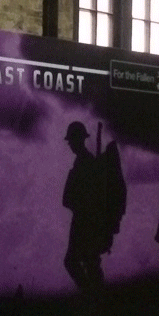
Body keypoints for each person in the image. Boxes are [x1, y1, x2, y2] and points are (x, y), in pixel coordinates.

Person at [62, 121, 105, 293]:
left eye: (72, 140)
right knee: (89, 261)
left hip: (85, 221)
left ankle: (91, 295)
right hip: (85, 220)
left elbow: (88, 196)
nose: (70, 144)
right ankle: (94, 296)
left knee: (79, 261)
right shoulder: (84, 162)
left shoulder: (85, 163)